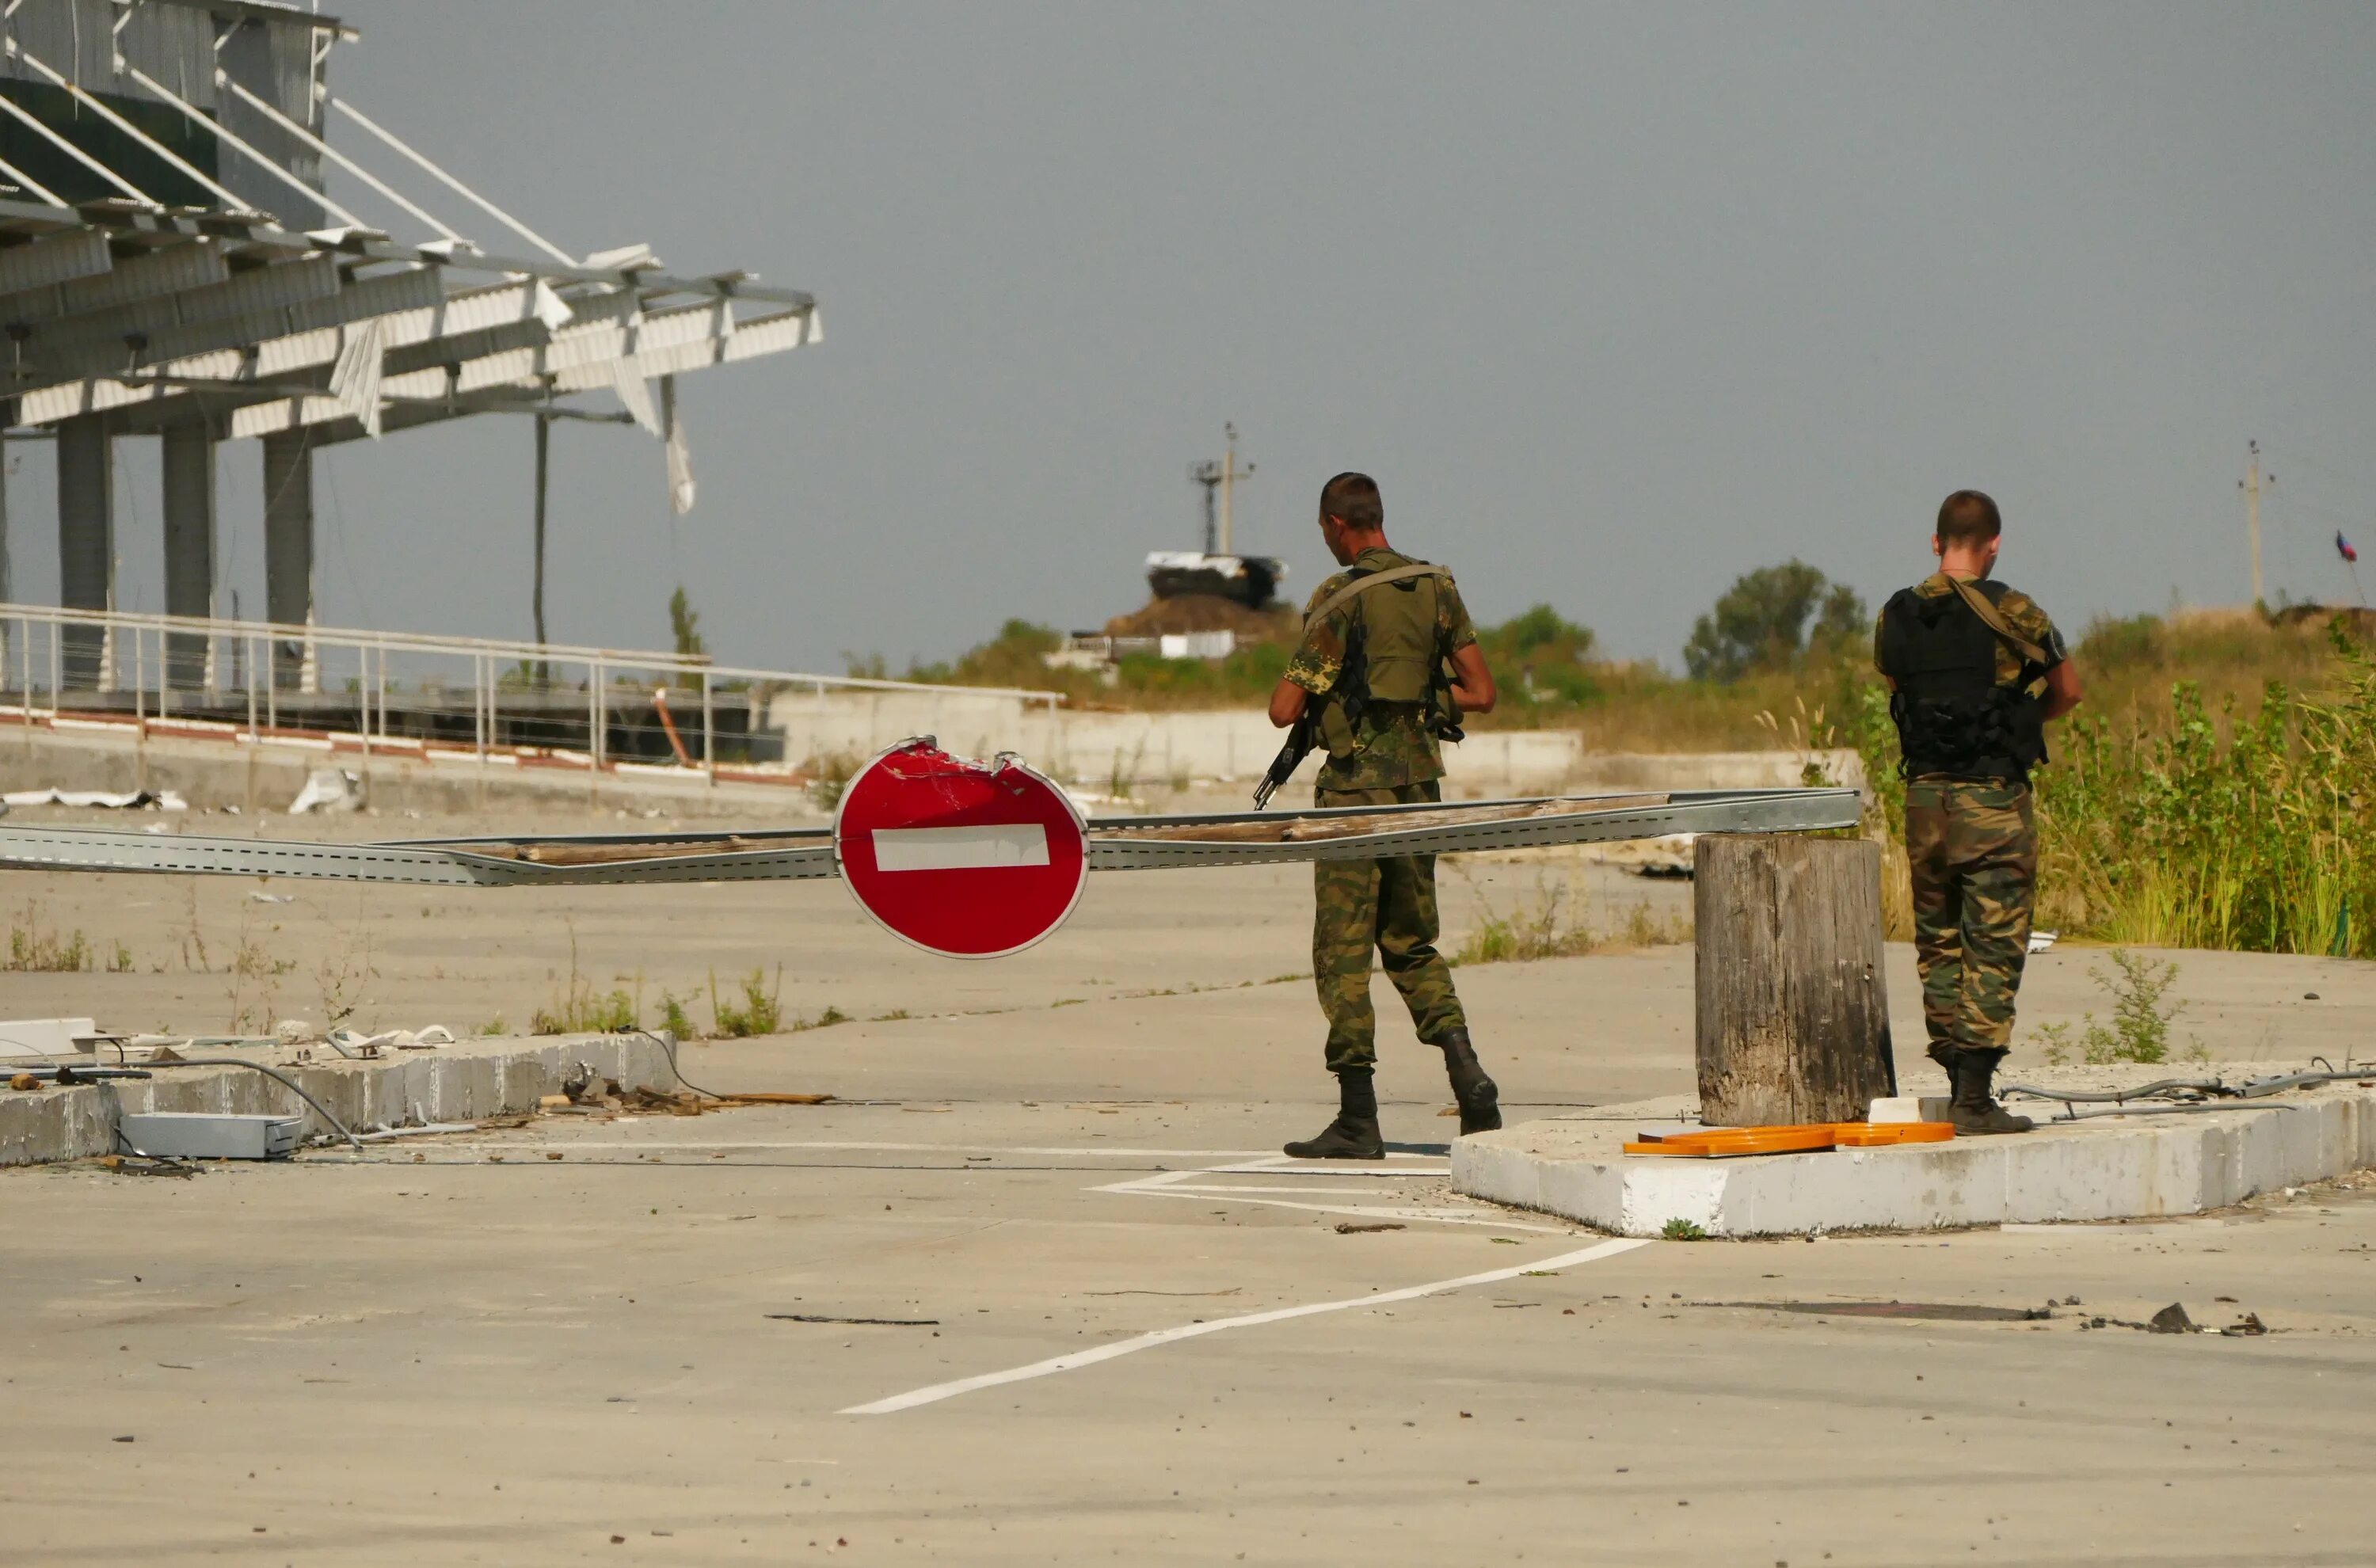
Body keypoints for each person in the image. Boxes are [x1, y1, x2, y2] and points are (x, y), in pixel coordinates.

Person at [1266, 472, 1502, 1159]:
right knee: (1411, 943)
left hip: (1352, 800)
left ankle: (1357, 1116)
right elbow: (1481, 692)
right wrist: (1428, 700)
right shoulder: (1436, 588)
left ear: (1338, 526)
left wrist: (1328, 695)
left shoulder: (1339, 599)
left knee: (1343, 955)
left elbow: (1284, 708)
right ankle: (1469, 1079)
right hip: (1419, 792)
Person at [1874, 490, 2083, 1135]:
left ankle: (1954, 1078)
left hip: (1924, 799)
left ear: (1936, 543)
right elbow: (2069, 691)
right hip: (1991, 799)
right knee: (1993, 943)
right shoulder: (2013, 609)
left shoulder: (1896, 614)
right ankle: (1972, 1098)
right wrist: (2018, 724)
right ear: (1994, 545)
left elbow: (1896, 689)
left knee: (1938, 941)